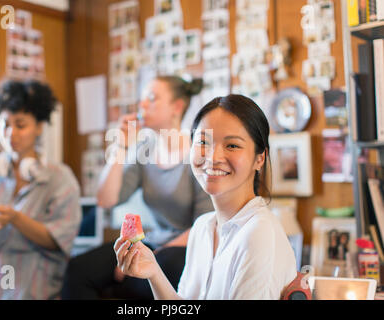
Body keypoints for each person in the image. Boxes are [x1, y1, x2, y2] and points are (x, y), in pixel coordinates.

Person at [114, 94, 297, 300]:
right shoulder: (202, 228)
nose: (213, 157)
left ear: (259, 158)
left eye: (232, 145)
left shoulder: (259, 232)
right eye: (203, 142)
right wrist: (154, 273)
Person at [61, 75, 214, 299]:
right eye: (142, 99)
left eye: (151, 98)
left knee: (151, 272)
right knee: (78, 270)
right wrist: (121, 145)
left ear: (177, 107)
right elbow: (106, 199)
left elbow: (205, 224)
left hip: (184, 247)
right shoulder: (144, 150)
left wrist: (151, 255)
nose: (142, 105)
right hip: (150, 242)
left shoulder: (196, 153)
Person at [0, 79, 82, 299]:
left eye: (20, 125)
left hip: (31, 289)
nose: (11, 133)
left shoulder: (60, 179)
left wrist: (15, 219)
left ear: (39, 127)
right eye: (5, 124)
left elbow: (59, 240)